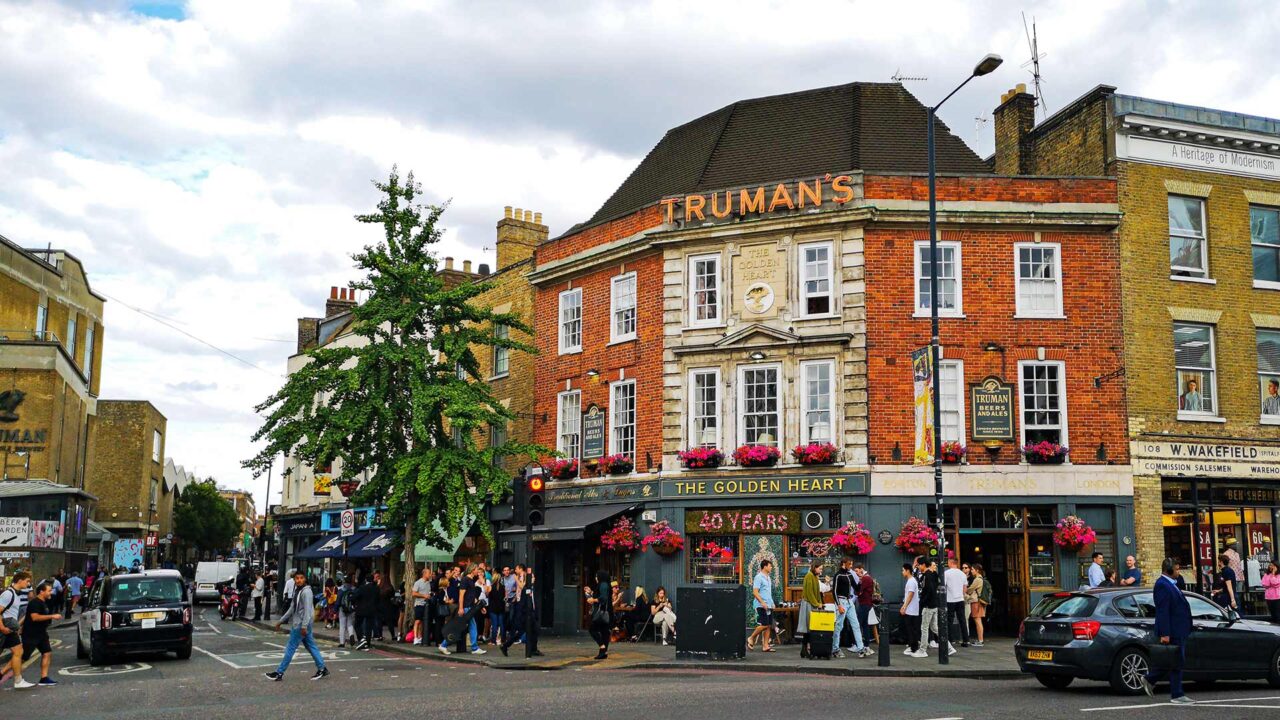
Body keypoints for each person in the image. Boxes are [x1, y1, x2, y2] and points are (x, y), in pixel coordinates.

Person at [1140, 558, 1193, 704]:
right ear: (1169, 570)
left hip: (1179, 629)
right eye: (1176, 569)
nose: (1179, 572)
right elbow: (1163, 611)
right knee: (1176, 662)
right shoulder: (1162, 585)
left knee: (1174, 661)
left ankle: (1150, 679)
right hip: (1173, 630)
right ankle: (1177, 694)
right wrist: (1165, 633)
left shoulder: (1172, 584)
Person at [265, 571, 329, 682]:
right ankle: (322, 669)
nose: (299, 580)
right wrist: (281, 621)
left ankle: (279, 673)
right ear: (294, 580)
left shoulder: (307, 592)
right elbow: (291, 609)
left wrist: (304, 626)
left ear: (305, 579)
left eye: (301, 578)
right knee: (311, 647)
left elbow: (308, 611)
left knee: (290, 648)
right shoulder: (298, 591)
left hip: (300, 625)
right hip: (302, 624)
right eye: (297, 578)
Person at [21, 580, 61, 686]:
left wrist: (19, 625)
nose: (51, 593)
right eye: (49, 591)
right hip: (31, 634)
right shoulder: (35, 602)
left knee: (47, 653)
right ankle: (2, 672)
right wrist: (52, 616)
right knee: (22, 657)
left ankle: (44, 678)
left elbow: (26, 616)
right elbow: (34, 617)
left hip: (41, 634)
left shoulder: (43, 603)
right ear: (41, 592)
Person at [2, 572, 34, 690]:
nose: (28, 584)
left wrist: (16, 627)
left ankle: (18, 680)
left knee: (18, 652)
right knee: (18, 652)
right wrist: (2, 628)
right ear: (20, 580)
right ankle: (18, 680)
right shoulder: (8, 594)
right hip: (4, 628)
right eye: (27, 581)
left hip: (9, 628)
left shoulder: (16, 594)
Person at [833, 557, 867, 658]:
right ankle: (835, 649)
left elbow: (856, 589)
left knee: (855, 624)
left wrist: (861, 580)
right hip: (841, 601)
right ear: (844, 564)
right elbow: (834, 591)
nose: (851, 566)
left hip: (849, 601)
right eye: (850, 564)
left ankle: (861, 648)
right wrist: (838, 605)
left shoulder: (849, 574)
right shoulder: (838, 575)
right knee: (839, 626)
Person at [916, 557, 948, 654]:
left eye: (919, 565)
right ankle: (949, 647)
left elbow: (928, 590)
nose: (918, 567)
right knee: (934, 628)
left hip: (928, 605)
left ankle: (922, 650)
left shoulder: (927, 575)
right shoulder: (932, 575)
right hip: (934, 604)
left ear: (923, 565)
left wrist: (923, 602)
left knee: (924, 628)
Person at [798, 558, 825, 659]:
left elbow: (816, 592)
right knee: (808, 628)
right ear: (815, 567)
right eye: (820, 569)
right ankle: (804, 650)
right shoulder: (809, 576)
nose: (821, 571)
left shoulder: (814, 576)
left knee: (809, 629)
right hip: (809, 604)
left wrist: (819, 603)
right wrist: (817, 604)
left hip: (812, 604)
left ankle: (804, 650)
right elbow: (809, 593)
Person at [748, 559, 775, 652]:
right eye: (770, 566)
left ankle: (765, 646)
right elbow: (755, 592)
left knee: (768, 626)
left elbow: (768, 592)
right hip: (760, 605)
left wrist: (772, 603)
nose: (771, 567)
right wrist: (762, 602)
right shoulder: (758, 577)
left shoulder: (768, 577)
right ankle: (751, 638)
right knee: (764, 624)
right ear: (765, 566)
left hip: (768, 605)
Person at [944, 556, 970, 648]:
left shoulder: (946, 573)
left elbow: (944, 586)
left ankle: (950, 640)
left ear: (951, 562)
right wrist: (960, 594)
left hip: (950, 599)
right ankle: (966, 640)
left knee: (949, 620)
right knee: (962, 620)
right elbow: (965, 588)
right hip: (960, 599)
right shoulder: (962, 574)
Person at [900, 563, 925, 658]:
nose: (902, 572)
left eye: (903, 570)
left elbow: (910, 594)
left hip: (911, 610)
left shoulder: (911, 581)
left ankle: (913, 647)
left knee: (911, 629)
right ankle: (912, 646)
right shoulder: (912, 581)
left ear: (907, 571)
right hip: (912, 609)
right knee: (911, 629)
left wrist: (904, 606)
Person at [586, 571, 612, 660]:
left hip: (601, 612)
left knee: (592, 629)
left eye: (596, 576)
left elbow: (603, 598)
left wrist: (593, 600)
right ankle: (603, 652)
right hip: (606, 612)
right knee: (604, 631)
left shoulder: (603, 584)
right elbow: (601, 595)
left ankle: (602, 647)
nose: (596, 578)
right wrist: (591, 592)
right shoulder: (604, 585)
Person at [354, 574, 380, 650]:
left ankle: (361, 639)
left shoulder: (362, 587)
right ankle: (367, 643)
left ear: (366, 580)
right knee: (369, 627)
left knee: (357, 625)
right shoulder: (376, 588)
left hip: (361, 610)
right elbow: (378, 599)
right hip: (372, 610)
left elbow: (355, 596)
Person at [966, 563, 988, 646]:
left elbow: (970, 589)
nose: (971, 571)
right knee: (978, 620)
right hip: (979, 601)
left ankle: (980, 640)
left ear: (977, 570)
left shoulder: (977, 579)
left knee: (977, 620)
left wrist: (966, 590)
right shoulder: (980, 578)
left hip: (976, 602)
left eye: (972, 569)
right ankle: (980, 639)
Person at [853, 563, 875, 645]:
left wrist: (859, 582)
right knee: (864, 624)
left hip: (864, 604)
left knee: (858, 623)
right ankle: (866, 644)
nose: (856, 573)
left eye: (857, 571)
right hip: (867, 603)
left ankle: (858, 644)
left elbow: (857, 591)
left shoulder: (865, 578)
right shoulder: (866, 578)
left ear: (861, 569)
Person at [411, 567, 433, 646]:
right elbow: (413, 593)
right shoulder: (418, 582)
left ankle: (420, 637)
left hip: (426, 605)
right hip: (419, 604)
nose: (430, 575)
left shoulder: (429, 583)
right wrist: (424, 596)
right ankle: (415, 638)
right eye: (429, 573)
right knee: (418, 621)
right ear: (424, 574)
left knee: (423, 622)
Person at [336, 575, 357, 647]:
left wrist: (335, 610)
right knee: (350, 624)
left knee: (342, 626)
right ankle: (351, 635)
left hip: (342, 609)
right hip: (351, 609)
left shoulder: (341, 590)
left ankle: (342, 642)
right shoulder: (354, 589)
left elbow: (338, 601)